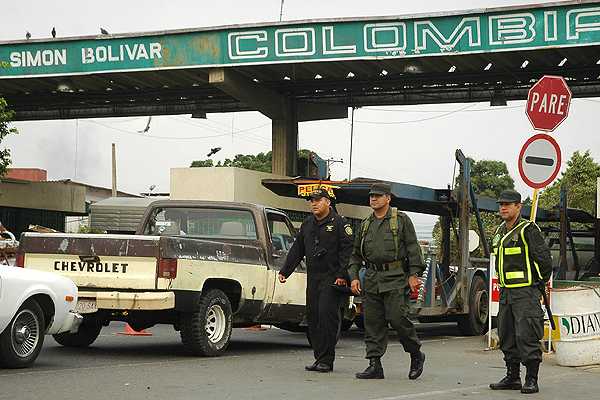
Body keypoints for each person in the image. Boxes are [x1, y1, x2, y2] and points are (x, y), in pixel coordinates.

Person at [348, 182, 426, 380]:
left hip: (396, 278)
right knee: (372, 323)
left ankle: (416, 354)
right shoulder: (366, 224)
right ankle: (375, 364)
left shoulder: (400, 220)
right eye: (371, 196)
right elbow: (355, 254)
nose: (373, 199)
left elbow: (413, 249)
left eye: (378, 196)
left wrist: (414, 274)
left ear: (388, 198)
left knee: (398, 319)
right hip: (372, 279)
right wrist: (354, 276)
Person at [278, 188, 354, 373]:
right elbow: (298, 249)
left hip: (333, 278)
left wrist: (341, 275)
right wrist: (285, 271)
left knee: (327, 317)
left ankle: (327, 360)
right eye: (311, 200)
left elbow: (348, 252)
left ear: (328, 202)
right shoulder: (308, 224)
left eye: (318, 200)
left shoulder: (340, 224)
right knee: (313, 318)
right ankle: (319, 357)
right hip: (314, 278)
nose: (314, 203)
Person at [489, 189, 552, 394]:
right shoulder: (499, 231)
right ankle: (512, 377)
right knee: (507, 336)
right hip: (506, 293)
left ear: (519, 206)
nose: (503, 207)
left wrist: (537, 284)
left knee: (527, 336)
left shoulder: (528, 230)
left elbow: (544, 261)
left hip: (526, 293)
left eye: (508, 204)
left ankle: (531, 379)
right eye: (501, 204)